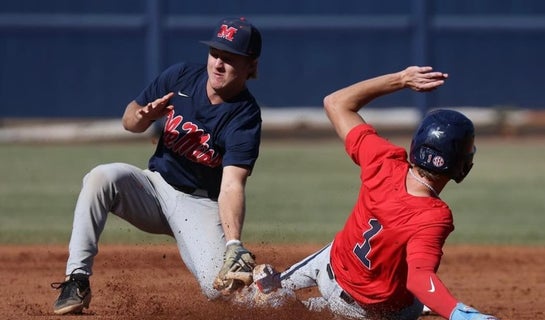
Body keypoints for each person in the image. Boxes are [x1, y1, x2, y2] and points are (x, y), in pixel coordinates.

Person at [247, 67, 500, 320]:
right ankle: (288, 304)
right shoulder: (434, 216)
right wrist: (459, 314)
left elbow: (335, 103)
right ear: (461, 165)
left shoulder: (384, 160)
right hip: (363, 310)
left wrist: (401, 79)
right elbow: (420, 278)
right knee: (408, 304)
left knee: (260, 296)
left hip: (329, 265)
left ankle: (270, 290)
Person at [50, 17, 263, 315]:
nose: (217, 64)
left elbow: (231, 185)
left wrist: (233, 243)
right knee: (101, 177)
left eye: (229, 59)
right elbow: (129, 121)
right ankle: (77, 279)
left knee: (220, 289)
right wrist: (145, 116)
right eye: (215, 53)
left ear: (250, 66)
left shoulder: (245, 116)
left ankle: (275, 289)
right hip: (154, 186)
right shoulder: (181, 76)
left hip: (199, 205)